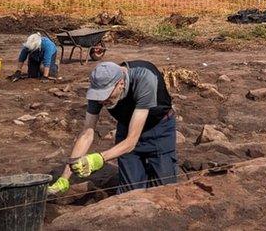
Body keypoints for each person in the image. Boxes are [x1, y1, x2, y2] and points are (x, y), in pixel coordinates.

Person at [48, 60, 177, 195]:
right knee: (129, 193)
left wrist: (99, 159)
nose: (101, 101)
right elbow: (87, 133)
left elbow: (132, 141)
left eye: (106, 95)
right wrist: (64, 178)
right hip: (127, 126)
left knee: (164, 189)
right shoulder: (98, 88)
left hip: (158, 128)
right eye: (98, 96)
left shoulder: (144, 78)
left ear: (120, 83)